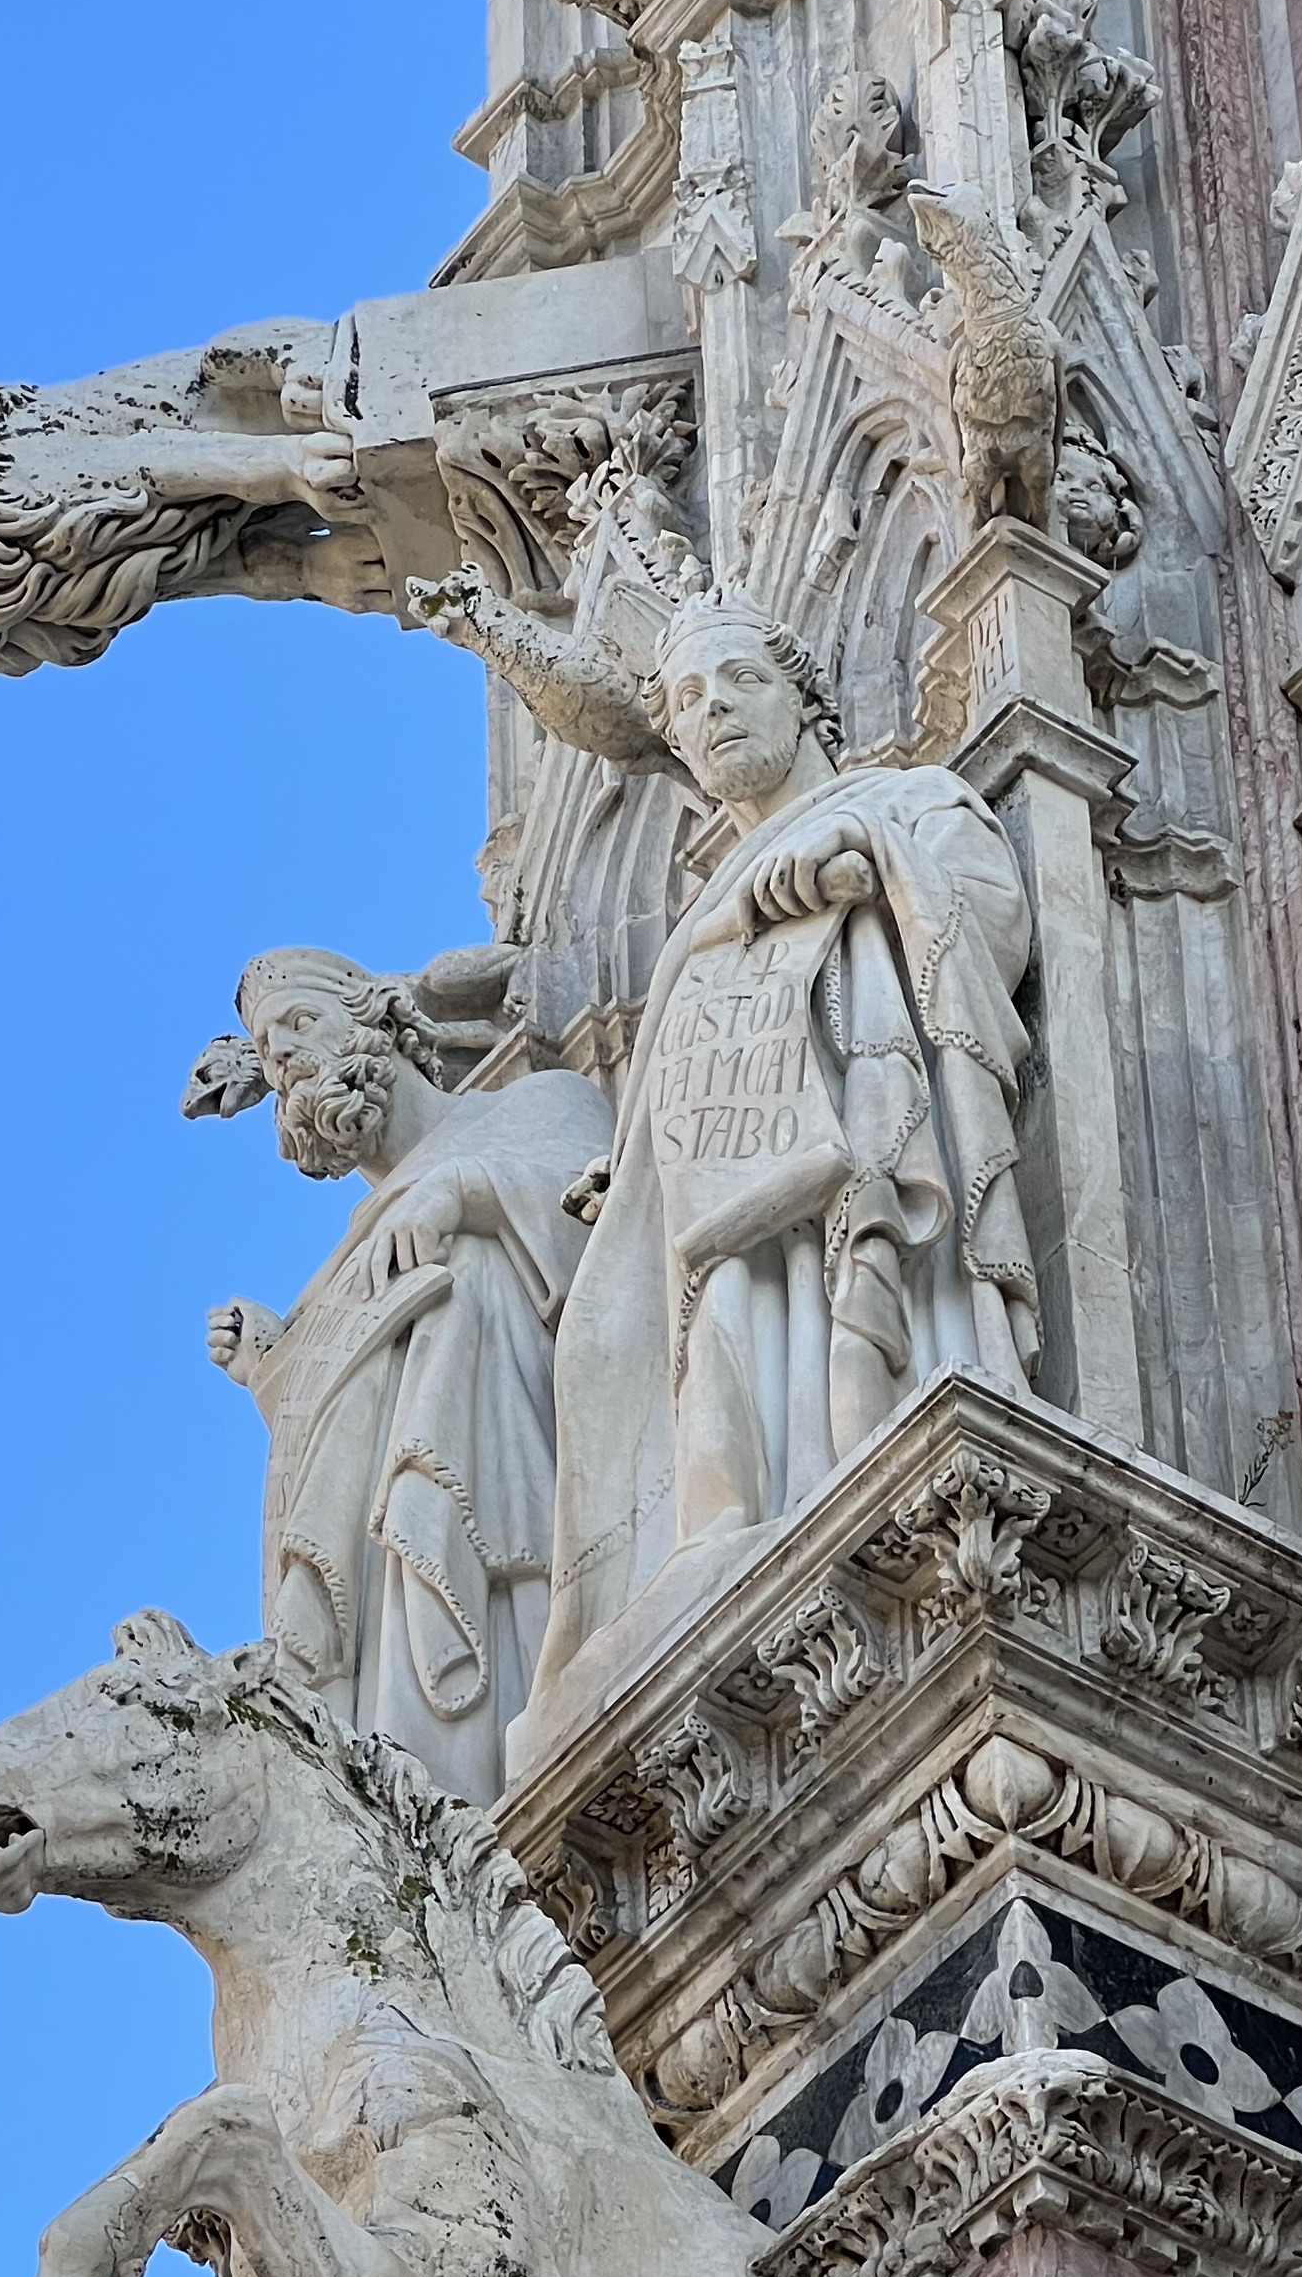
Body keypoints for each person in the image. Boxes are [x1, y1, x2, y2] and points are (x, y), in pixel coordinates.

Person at [522, 589, 1042, 1738]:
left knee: (855, 1328)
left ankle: (877, 1441)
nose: (711, 716)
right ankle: (732, 1521)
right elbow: (676, 1081)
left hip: (869, 1153)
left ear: (804, 696)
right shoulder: (697, 919)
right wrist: (639, 1172)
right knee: (713, 1348)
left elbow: (994, 922)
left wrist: (864, 863)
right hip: (731, 1213)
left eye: (735, 683)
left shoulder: (906, 801)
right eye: (688, 702)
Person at [190, 948, 608, 1806]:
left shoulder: (534, 1109)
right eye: (271, 1054)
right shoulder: (348, 1256)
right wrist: (272, 1370)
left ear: (379, 1018)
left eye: (302, 1025)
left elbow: (619, 1219)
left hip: (520, 1497)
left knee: (464, 1294)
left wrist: (462, 1194)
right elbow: (339, 1454)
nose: (290, 1058)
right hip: (390, 1590)